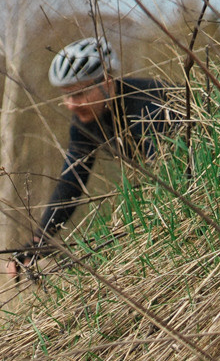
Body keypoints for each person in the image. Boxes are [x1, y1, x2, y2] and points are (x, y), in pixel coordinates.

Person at [11, 36, 179, 271]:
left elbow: (172, 178)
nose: (71, 104)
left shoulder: (148, 106)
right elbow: (71, 183)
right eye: (66, 95)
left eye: (78, 94)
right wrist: (38, 243)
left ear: (107, 83)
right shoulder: (85, 122)